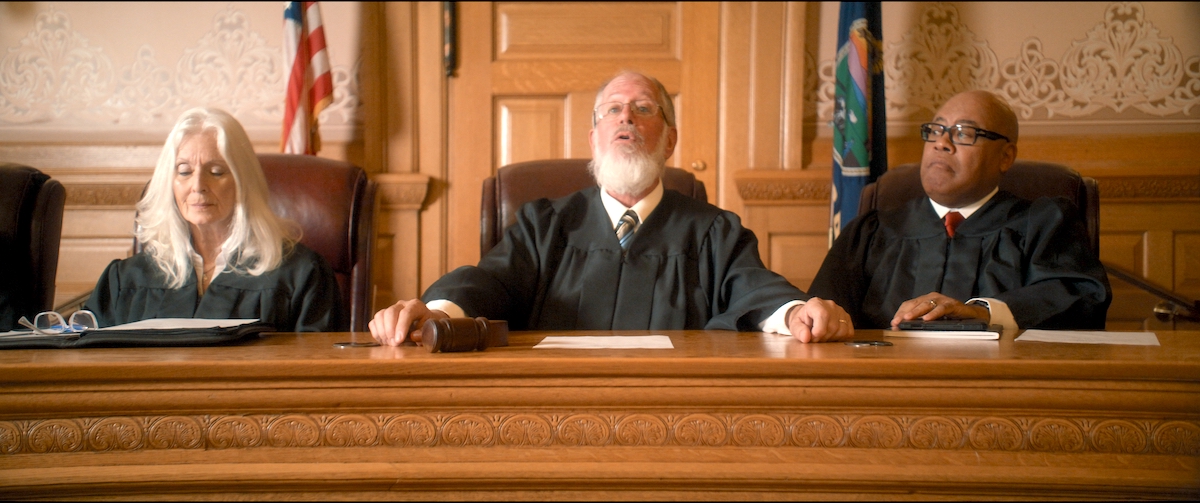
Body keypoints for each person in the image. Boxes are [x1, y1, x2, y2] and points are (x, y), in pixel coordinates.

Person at [370, 71, 853, 345]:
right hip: (548, 412)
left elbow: (755, 290)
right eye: (612, 110)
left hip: (679, 416)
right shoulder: (544, 223)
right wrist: (432, 312)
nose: (626, 117)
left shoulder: (713, 230)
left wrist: (793, 313)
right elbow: (489, 280)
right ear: (594, 138)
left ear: (669, 141)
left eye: (644, 108)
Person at [809, 90, 1111, 330]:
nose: (942, 142)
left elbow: (1080, 299)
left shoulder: (1043, 224)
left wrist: (982, 312)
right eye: (935, 130)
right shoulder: (871, 233)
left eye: (964, 133)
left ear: (1005, 157)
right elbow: (821, 313)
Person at [83, 107, 344, 331]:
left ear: (244, 182)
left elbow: (317, 375)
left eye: (216, 171)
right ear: (169, 183)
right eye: (184, 171)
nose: (197, 185)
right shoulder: (125, 281)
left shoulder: (300, 276)